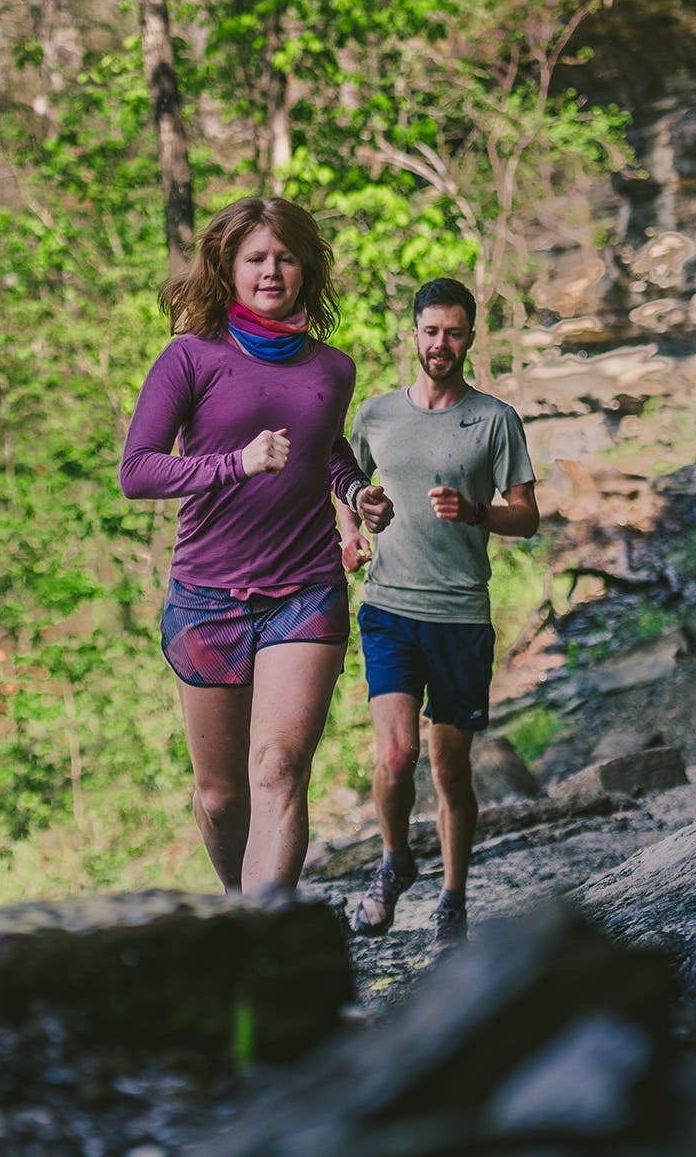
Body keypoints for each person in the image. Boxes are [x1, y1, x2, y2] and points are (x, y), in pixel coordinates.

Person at [120, 197, 395, 896]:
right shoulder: (191, 357)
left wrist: (356, 491)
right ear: (228, 268)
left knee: (276, 767)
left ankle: (268, 942)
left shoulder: (333, 369)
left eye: (286, 257)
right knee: (220, 798)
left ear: (307, 268)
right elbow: (138, 469)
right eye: (256, 259)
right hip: (207, 598)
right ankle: (238, 911)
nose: (272, 271)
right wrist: (233, 464)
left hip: (304, 592)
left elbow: (326, 450)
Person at [340, 278, 538, 947]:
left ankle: (452, 900)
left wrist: (479, 511)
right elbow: (344, 486)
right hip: (390, 608)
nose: (441, 344)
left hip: (460, 616)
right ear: (414, 334)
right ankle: (395, 860)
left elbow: (528, 516)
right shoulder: (374, 416)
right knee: (396, 757)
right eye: (431, 331)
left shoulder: (494, 420)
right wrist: (352, 527)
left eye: (454, 333)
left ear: (470, 338)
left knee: (450, 768)